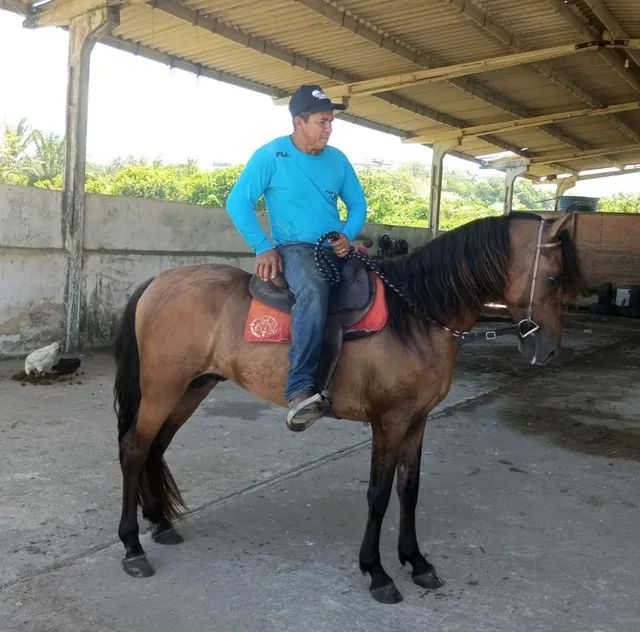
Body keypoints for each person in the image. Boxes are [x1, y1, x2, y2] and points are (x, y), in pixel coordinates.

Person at [226, 84, 367, 431]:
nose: (329, 128)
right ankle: (299, 386)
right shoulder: (272, 156)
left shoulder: (338, 160)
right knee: (313, 290)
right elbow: (237, 202)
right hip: (296, 249)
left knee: (376, 283)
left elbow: (358, 204)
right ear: (298, 122)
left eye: (331, 121)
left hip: (334, 245)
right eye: (322, 121)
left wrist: (347, 235)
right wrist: (263, 247)